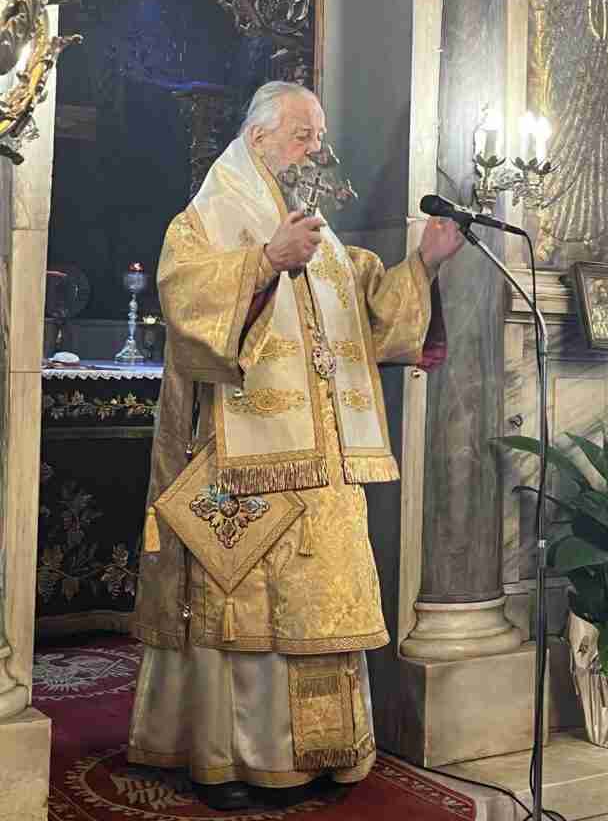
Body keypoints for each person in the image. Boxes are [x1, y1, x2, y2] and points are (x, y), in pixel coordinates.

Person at [127, 80, 463, 810]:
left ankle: (323, 756)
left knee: (325, 611)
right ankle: (229, 761)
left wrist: (425, 263)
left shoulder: (326, 241)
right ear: (259, 140)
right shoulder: (205, 223)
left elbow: (373, 323)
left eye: (319, 137)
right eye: (303, 136)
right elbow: (187, 306)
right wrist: (263, 262)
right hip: (239, 463)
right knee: (247, 616)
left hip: (324, 468)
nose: (317, 150)